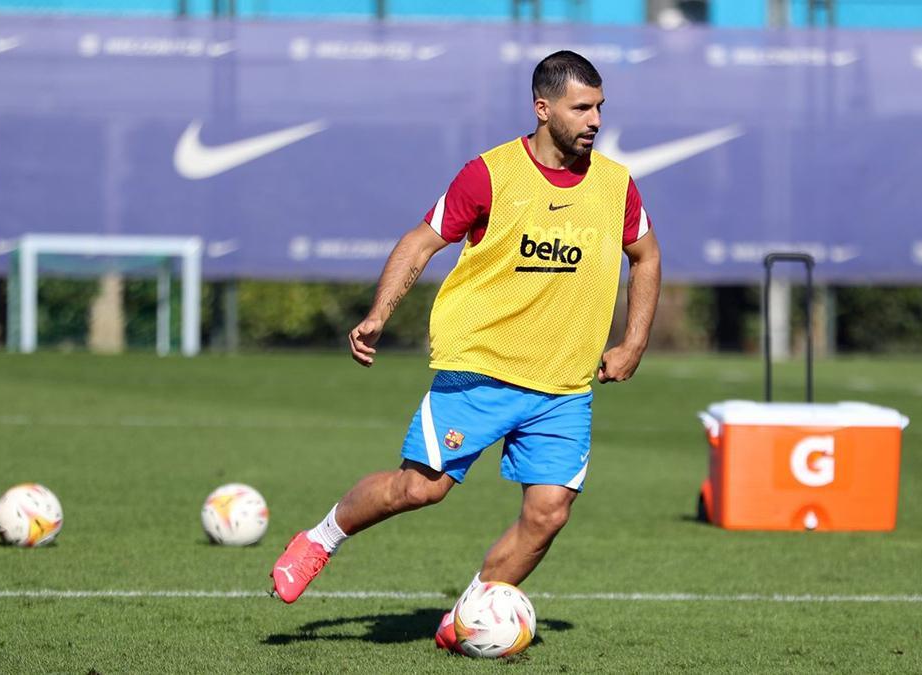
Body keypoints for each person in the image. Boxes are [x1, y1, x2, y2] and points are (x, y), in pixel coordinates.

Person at [269, 50, 662, 652]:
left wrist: (633, 341)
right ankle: (322, 538)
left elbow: (646, 255)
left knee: (548, 515)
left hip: (563, 386)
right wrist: (378, 315)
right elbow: (421, 242)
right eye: (581, 107)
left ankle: (470, 618)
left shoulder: (615, 185)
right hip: (479, 370)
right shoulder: (489, 174)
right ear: (542, 108)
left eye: (600, 107)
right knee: (419, 489)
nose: (594, 120)